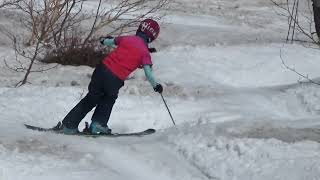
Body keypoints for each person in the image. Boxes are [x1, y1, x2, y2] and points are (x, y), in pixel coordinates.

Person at [58, 19, 163, 135]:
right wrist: (156, 86)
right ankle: (98, 124)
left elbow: (108, 41)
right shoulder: (145, 53)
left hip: (100, 70)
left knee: (91, 98)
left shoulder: (127, 39)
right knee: (108, 99)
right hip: (114, 78)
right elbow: (148, 73)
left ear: (140, 28)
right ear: (152, 37)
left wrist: (103, 40)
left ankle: (69, 125)